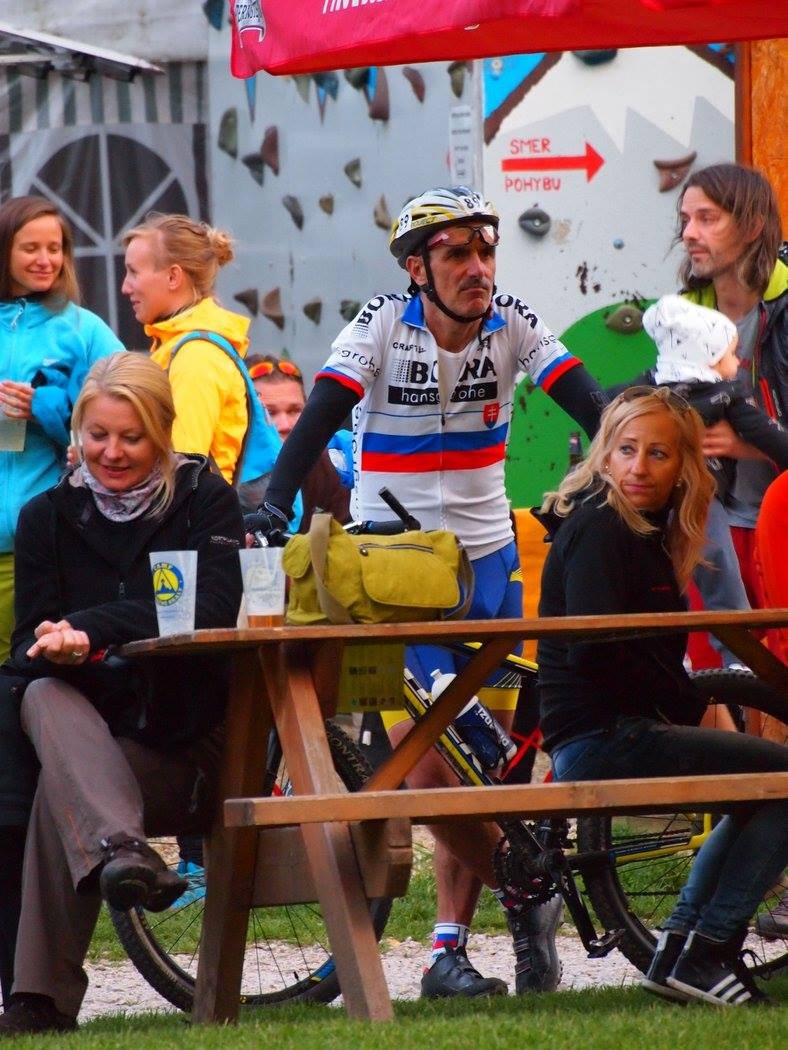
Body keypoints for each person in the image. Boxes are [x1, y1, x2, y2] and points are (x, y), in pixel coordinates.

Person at [247, 186, 604, 998]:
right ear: (417, 269)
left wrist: (612, 467)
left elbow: (595, 406)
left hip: (489, 570)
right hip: (394, 576)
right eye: (457, 254)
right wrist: (275, 502)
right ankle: (529, 891)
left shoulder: (513, 322)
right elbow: (318, 418)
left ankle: (451, 947)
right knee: (424, 767)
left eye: (486, 250)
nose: (478, 267)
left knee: (491, 775)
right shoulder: (378, 325)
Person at [0, 352, 243, 1035]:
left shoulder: (203, 498)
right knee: (41, 695)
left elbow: (209, 610)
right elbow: (23, 646)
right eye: (97, 435)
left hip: (185, 745)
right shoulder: (46, 516)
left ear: (162, 433)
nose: (111, 452)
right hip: (89, 738)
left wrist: (92, 629)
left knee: (63, 786)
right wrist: (59, 645)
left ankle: (39, 1002)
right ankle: (123, 853)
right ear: (77, 432)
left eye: (131, 438)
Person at [536, 386, 788, 1007]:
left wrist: (678, 699)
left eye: (658, 453)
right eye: (626, 450)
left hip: (613, 731)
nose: (639, 467)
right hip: (599, 738)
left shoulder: (643, 530)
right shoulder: (600, 525)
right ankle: (706, 949)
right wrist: (684, 700)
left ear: (683, 468)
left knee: (763, 789)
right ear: (604, 455)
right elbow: (596, 652)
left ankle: (677, 952)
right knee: (785, 783)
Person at [620, 294, 788, 670]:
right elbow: (772, 438)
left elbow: (605, 409)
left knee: (655, 581)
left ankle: (666, 656)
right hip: (699, 500)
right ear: (707, 357)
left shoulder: (645, 390)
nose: (737, 363)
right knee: (721, 578)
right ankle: (738, 658)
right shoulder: (725, 395)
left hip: (643, 503)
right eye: (731, 354)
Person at [0, 195, 122, 664]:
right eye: (31, 248)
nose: (46, 260)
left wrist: (46, 410)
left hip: (54, 542)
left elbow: (131, 413)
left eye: (55, 248)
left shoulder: (84, 329)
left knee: (37, 670)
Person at [677, 164, 786, 608]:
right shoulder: (684, 314)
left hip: (779, 520)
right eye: (685, 219)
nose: (689, 233)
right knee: (715, 655)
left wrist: (748, 445)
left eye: (707, 218)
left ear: (753, 227)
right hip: (712, 523)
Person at [121, 212, 255, 485]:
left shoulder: (196, 356)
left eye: (134, 272)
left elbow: (183, 472)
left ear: (173, 277)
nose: (125, 287)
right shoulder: (179, 346)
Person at [246, 354, 350, 528]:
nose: (285, 425)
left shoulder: (333, 465)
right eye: (270, 412)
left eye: (295, 410)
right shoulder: (224, 470)